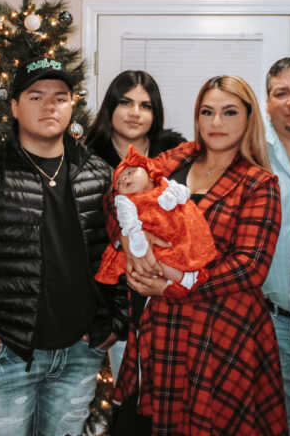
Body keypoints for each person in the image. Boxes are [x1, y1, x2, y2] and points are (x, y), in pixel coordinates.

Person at [0, 57, 122, 436]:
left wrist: (114, 321)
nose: (49, 105)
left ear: (72, 106)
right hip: (5, 356)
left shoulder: (99, 173)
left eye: (60, 97)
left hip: (79, 355)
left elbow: (118, 253)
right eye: (35, 96)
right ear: (14, 107)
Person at [114, 75, 288, 435]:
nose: (216, 123)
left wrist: (171, 285)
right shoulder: (174, 160)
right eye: (207, 112)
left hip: (223, 330)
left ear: (249, 118)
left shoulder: (258, 183)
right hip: (160, 329)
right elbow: (118, 194)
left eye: (229, 112)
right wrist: (130, 237)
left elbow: (249, 268)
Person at [86, 69, 185, 377]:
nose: (135, 113)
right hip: (113, 301)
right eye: (126, 103)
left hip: (170, 296)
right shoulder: (87, 159)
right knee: (129, 402)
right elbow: (86, 236)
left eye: (145, 105)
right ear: (110, 107)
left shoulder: (175, 156)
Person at [94, 145, 218, 285]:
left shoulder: (164, 184)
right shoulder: (126, 202)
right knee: (156, 259)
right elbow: (113, 206)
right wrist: (128, 235)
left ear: (151, 176)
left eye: (131, 171)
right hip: (148, 244)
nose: (124, 178)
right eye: (119, 181)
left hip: (178, 235)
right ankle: (184, 279)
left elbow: (182, 194)